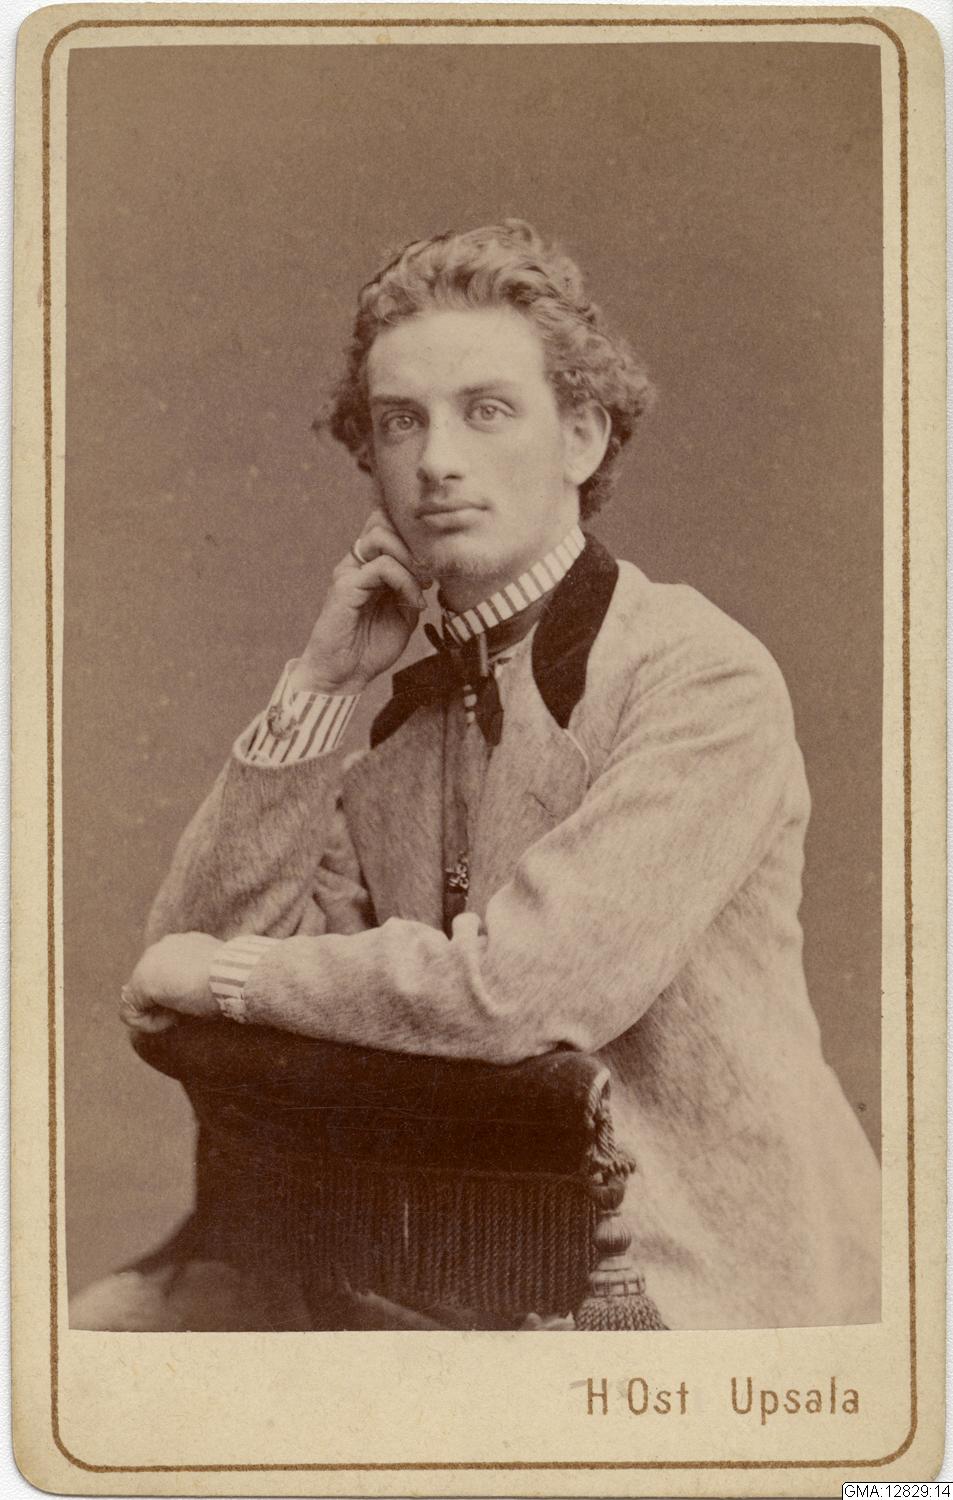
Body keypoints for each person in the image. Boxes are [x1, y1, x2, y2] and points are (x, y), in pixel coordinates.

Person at [74, 220, 880, 1333]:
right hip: (450, 1269)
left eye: (486, 411)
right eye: (400, 420)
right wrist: (320, 685)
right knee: (107, 1332)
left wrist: (230, 975)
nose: (435, 460)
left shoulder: (696, 676)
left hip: (694, 1287)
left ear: (581, 438)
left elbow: (518, 990)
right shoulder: (401, 728)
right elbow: (181, 971)